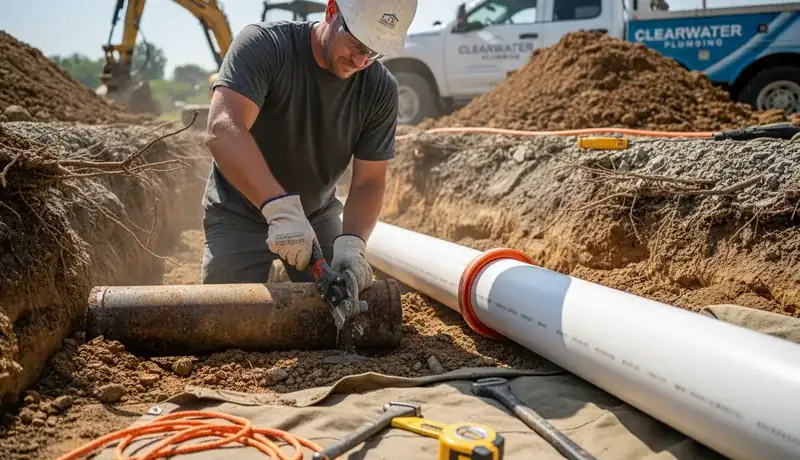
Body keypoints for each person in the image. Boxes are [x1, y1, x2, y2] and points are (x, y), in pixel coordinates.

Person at [201, 0, 418, 294]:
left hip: (316, 214)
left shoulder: (379, 89)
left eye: (373, 52)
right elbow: (222, 130)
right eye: (356, 44)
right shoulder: (266, 45)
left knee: (342, 302)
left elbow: (369, 180)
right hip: (239, 212)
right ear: (331, 11)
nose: (360, 61)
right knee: (222, 318)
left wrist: (352, 244)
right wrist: (279, 209)